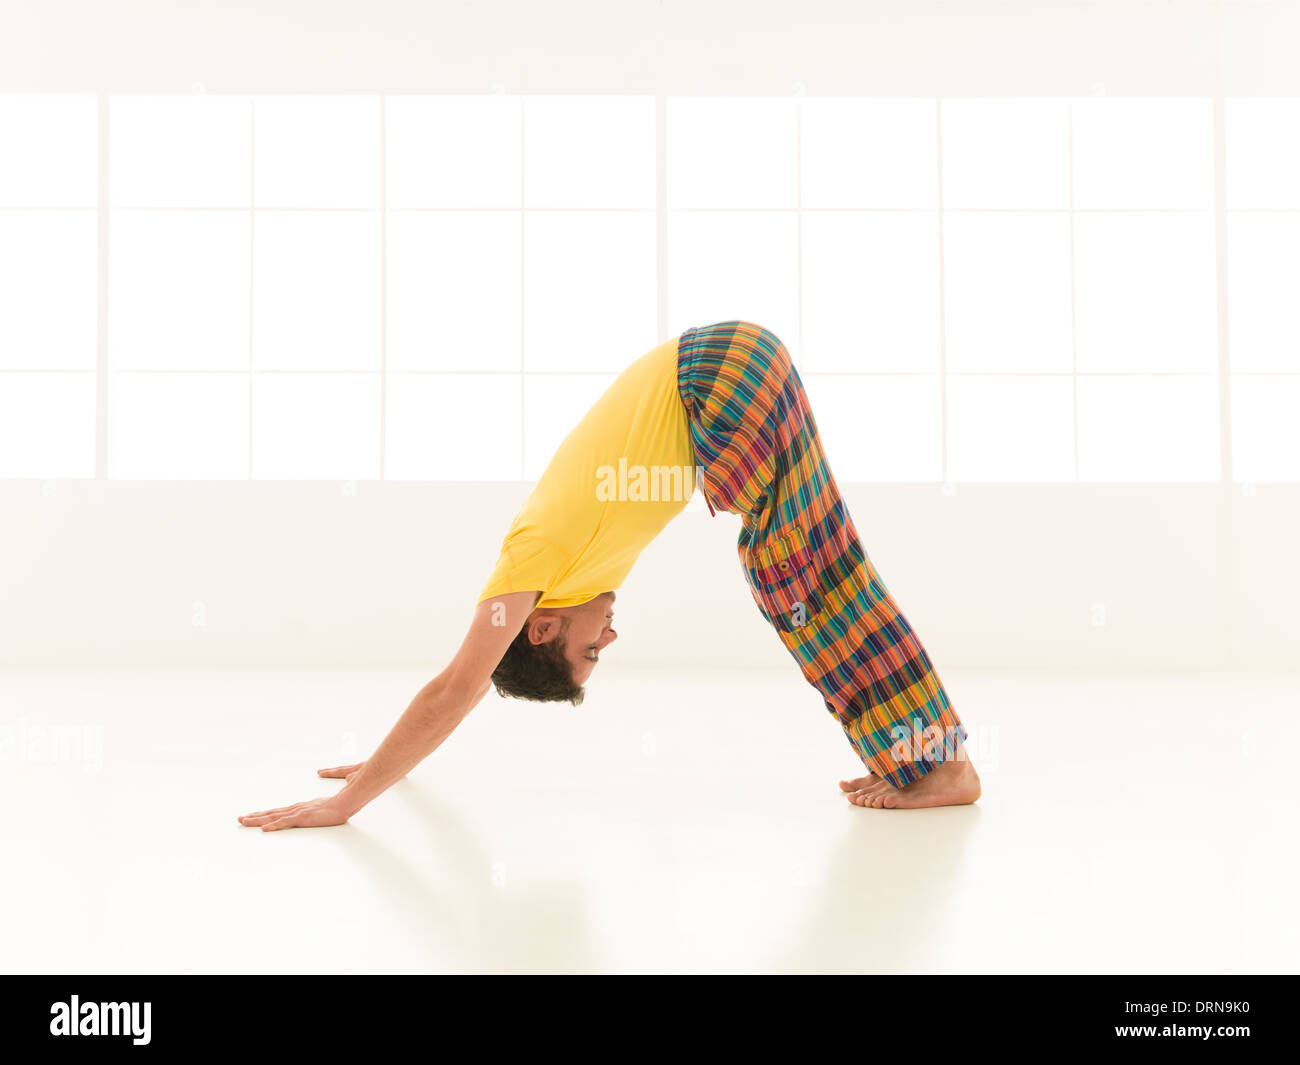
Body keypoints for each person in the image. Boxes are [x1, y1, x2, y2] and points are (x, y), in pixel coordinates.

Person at [237, 321, 979, 832]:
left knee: (803, 582)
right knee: (814, 572)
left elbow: (455, 688)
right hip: (737, 368)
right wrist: (381, 758)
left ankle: (938, 767)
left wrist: (351, 801)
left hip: (720, 380)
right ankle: (921, 761)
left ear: (545, 626)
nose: (612, 633)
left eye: (591, 650)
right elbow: (463, 694)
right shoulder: (575, 577)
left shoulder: (536, 555)